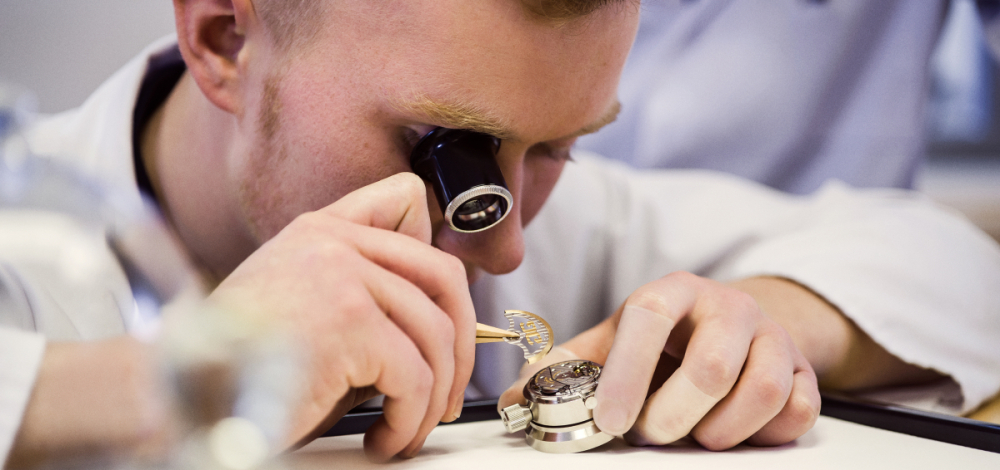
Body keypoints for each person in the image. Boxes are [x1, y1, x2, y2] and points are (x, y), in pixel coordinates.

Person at [2, 0, 1000, 466]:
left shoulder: (558, 231)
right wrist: (180, 380)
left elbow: (954, 268)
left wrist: (764, 322)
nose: (508, 246)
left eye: (558, 146)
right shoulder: (24, 240)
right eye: (451, 151)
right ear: (225, 38)